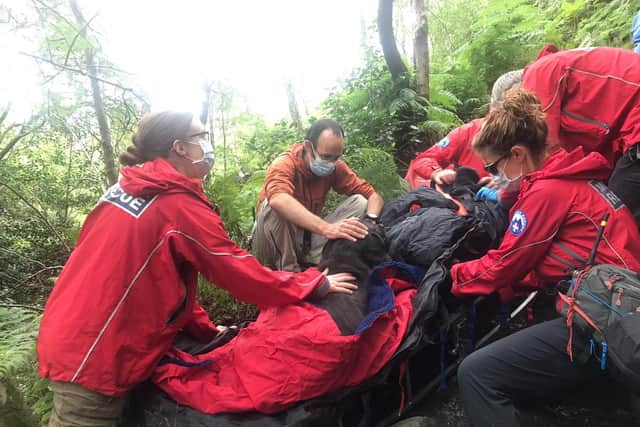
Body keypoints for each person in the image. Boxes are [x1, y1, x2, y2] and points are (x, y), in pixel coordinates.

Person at [36, 111, 358, 426]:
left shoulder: (125, 189)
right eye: (201, 137)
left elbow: (159, 281)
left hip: (72, 332)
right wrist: (310, 284)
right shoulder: (174, 203)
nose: (208, 144)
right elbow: (235, 269)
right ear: (179, 147)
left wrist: (204, 328)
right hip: (96, 353)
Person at [450, 87, 640, 426]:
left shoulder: (546, 193)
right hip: (617, 304)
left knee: (476, 374)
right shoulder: (571, 176)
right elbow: (548, 260)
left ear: (518, 154)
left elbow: (504, 265)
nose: (494, 176)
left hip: (599, 319)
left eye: (494, 166)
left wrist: (453, 276)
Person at [521, 46, 640, 227]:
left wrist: (512, 194)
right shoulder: (565, 74)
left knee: (615, 222)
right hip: (631, 130)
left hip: (636, 128)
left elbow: (546, 150)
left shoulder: (539, 74)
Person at [252, 119, 384, 272]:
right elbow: (278, 199)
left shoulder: (335, 167)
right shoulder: (284, 163)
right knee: (273, 204)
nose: (331, 163)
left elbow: (373, 195)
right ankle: (290, 272)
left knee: (360, 202)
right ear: (308, 147)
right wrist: (327, 228)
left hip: (306, 240)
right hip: (272, 244)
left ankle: (316, 260)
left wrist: (371, 220)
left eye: (336, 158)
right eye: (326, 157)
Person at [404, 70, 523, 189]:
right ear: (492, 106)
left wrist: (507, 183)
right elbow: (425, 159)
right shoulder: (468, 132)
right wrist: (437, 172)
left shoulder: (534, 136)